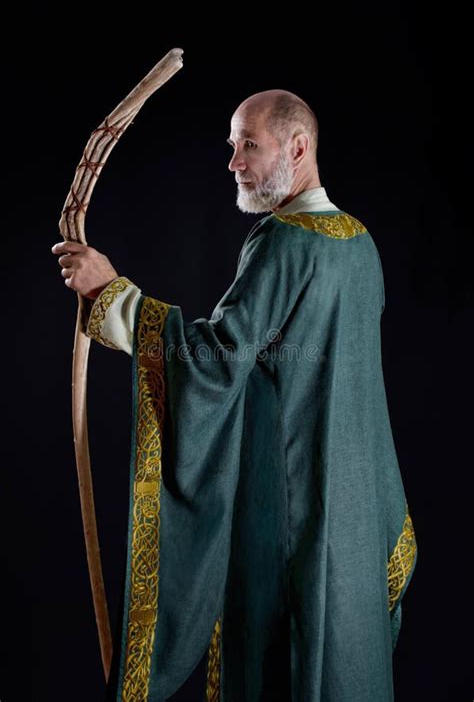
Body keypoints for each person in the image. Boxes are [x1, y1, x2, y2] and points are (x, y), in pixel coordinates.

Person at [51, 90, 417, 701]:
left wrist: (112, 294)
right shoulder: (360, 244)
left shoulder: (285, 242)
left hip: (288, 518)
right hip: (357, 522)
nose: (234, 162)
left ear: (297, 148)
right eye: (232, 145)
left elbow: (216, 363)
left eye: (249, 144)